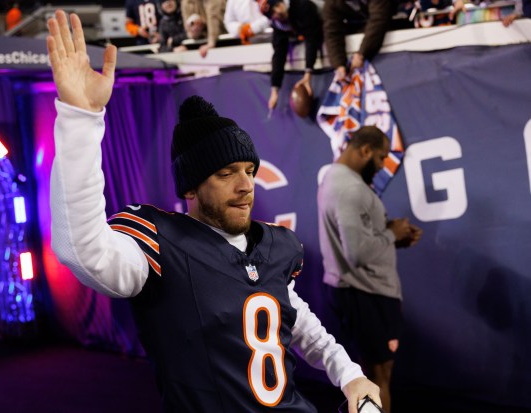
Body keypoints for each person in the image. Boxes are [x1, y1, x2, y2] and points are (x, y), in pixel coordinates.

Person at [47, 9, 381, 413]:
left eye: (249, 171)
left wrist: (349, 374)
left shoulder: (275, 246)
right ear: (190, 186)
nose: (245, 186)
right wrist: (80, 119)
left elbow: (299, 323)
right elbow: (80, 249)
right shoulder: (160, 246)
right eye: (226, 173)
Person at [317, 126, 422, 413]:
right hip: (367, 295)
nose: (381, 166)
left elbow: (357, 240)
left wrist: (393, 235)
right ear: (365, 150)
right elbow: (357, 253)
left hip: (363, 294)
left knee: (374, 376)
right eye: (380, 158)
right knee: (376, 379)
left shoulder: (338, 179)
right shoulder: (350, 188)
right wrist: (391, 235)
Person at [257, 0, 324, 110]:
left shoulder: (302, 6)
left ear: (281, 2)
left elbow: (311, 39)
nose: (277, 12)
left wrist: (308, 73)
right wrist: (275, 89)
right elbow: (279, 54)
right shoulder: (279, 24)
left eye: (276, 6)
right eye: (273, 13)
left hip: (325, 20)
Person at [323, 0, 396, 80]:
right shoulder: (331, 3)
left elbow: (378, 19)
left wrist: (362, 54)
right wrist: (339, 65)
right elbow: (332, 32)